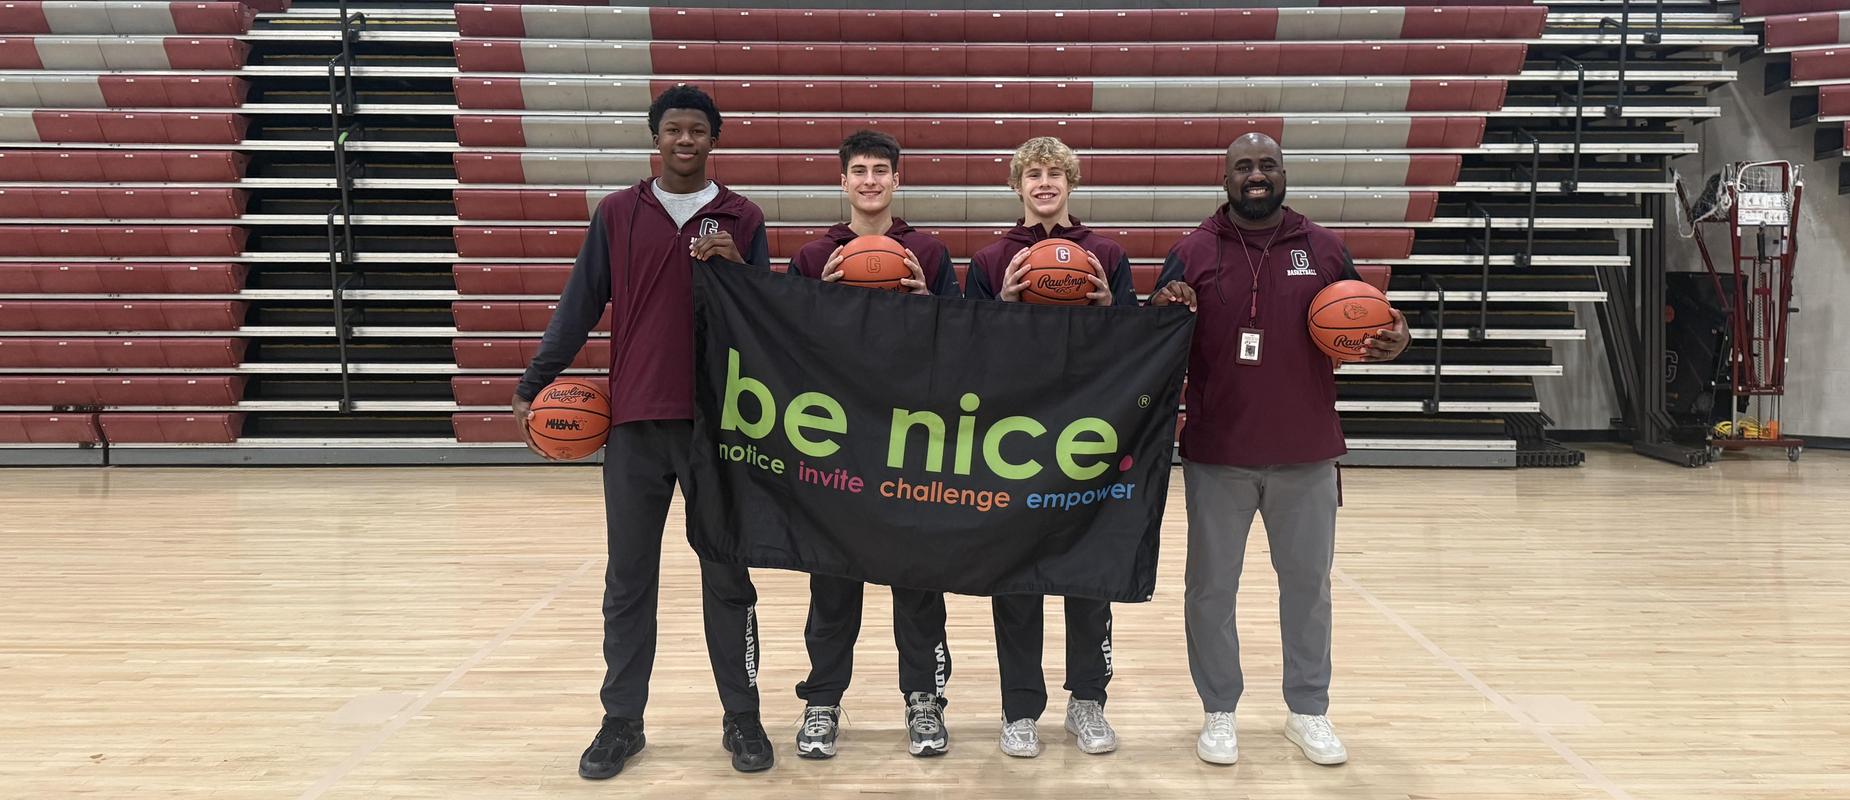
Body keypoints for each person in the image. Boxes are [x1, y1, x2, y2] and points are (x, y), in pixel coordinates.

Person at [511, 85, 778, 779]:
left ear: (714, 140)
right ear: (655, 138)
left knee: (729, 577)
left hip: (718, 427)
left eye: (697, 131)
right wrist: (536, 378)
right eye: (673, 130)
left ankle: (743, 718)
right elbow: (580, 303)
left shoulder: (742, 218)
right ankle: (620, 722)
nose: (685, 140)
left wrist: (738, 275)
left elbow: (771, 322)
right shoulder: (618, 214)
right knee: (628, 579)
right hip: (633, 424)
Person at [1147, 133, 1410, 767]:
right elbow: (1151, 336)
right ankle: (1219, 711)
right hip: (1219, 451)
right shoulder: (1192, 251)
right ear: (1226, 178)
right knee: (1210, 589)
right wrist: (1161, 308)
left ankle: (1308, 711)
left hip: (1306, 450)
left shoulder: (1322, 248)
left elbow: (1372, 321)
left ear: (1284, 173)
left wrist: (1394, 335)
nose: (1256, 175)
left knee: (1308, 588)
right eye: (1244, 166)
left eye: (1267, 165)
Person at [783, 129, 959, 759]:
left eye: (880, 170)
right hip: (836, 443)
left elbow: (962, 345)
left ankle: (923, 700)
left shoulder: (929, 256)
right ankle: (823, 701)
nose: (869, 180)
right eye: (858, 170)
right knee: (832, 581)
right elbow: (787, 351)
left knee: (917, 579)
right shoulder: (811, 259)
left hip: (912, 442)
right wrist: (823, 306)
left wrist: (924, 305)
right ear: (843, 181)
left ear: (895, 180)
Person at [964, 136, 1134, 758]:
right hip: (1017, 440)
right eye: (1033, 174)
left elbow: (1134, 349)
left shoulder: (1107, 254)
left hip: (1088, 436)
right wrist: (1003, 308)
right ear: (1017, 186)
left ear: (1071, 183)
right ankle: (1019, 709)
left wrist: (1114, 310)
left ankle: (1087, 702)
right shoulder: (988, 262)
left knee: (1090, 575)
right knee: (1017, 578)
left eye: (1055, 174)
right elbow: (966, 354)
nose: (1044, 183)